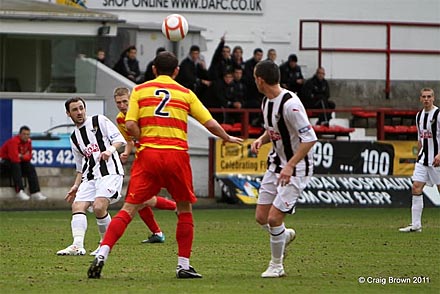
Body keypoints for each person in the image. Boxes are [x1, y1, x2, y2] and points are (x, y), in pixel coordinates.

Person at [88, 51, 243, 279]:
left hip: (149, 154)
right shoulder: (185, 93)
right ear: (177, 71)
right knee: (184, 209)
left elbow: (130, 124)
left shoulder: (140, 91)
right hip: (176, 154)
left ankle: (102, 252)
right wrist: (227, 137)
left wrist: (145, 138)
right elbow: (209, 122)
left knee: (129, 208)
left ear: (153, 69)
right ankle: (183, 265)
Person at [250, 60, 317, 278]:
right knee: (261, 216)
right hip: (275, 164)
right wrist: (262, 139)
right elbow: (274, 129)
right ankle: (283, 235)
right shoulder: (266, 102)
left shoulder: (291, 104)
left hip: (296, 168)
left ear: (260, 80)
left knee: (274, 218)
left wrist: (290, 165)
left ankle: (277, 265)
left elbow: (310, 138)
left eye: (254, 77)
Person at [57, 97, 126, 256]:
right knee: (77, 206)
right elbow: (80, 165)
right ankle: (77, 245)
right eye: (75, 110)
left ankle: (105, 245)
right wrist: (76, 185)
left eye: (81, 108)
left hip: (110, 172)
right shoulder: (74, 137)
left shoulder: (99, 120)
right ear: (68, 113)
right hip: (90, 176)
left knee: (99, 206)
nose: (79, 112)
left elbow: (119, 140)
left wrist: (109, 151)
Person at [113, 87, 177, 244]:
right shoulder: (120, 119)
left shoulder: (143, 112)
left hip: (153, 157)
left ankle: (175, 209)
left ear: (131, 99)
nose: (122, 105)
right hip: (141, 159)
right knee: (139, 200)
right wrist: (126, 153)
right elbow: (129, 140)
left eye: (124, 101)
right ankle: (158, 231)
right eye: (118, 103)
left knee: (136, 199)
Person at [399, 88, 440, 233]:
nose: (427, 99)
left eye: (429, 96)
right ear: (420, 99)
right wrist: (418, 156)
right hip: (423, 159)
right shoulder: (419, 116)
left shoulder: (438, 114)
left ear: (433, 98)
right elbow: (420, 139)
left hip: (437, 160)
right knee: (416, 187)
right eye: (424, 97)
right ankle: (416, 225)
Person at [0, 126, 47, 201]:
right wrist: (23, 156)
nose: (26, 136)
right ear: (19, 134)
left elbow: (29, 156)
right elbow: (14, 158)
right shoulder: (14, 141)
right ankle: (19, 191)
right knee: (16, 165)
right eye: (24, 134)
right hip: (4, 165)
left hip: (17, 162)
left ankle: (35, 192)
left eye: (28, 134)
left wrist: (21, 156)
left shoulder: (28, 142)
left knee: (30, 166)